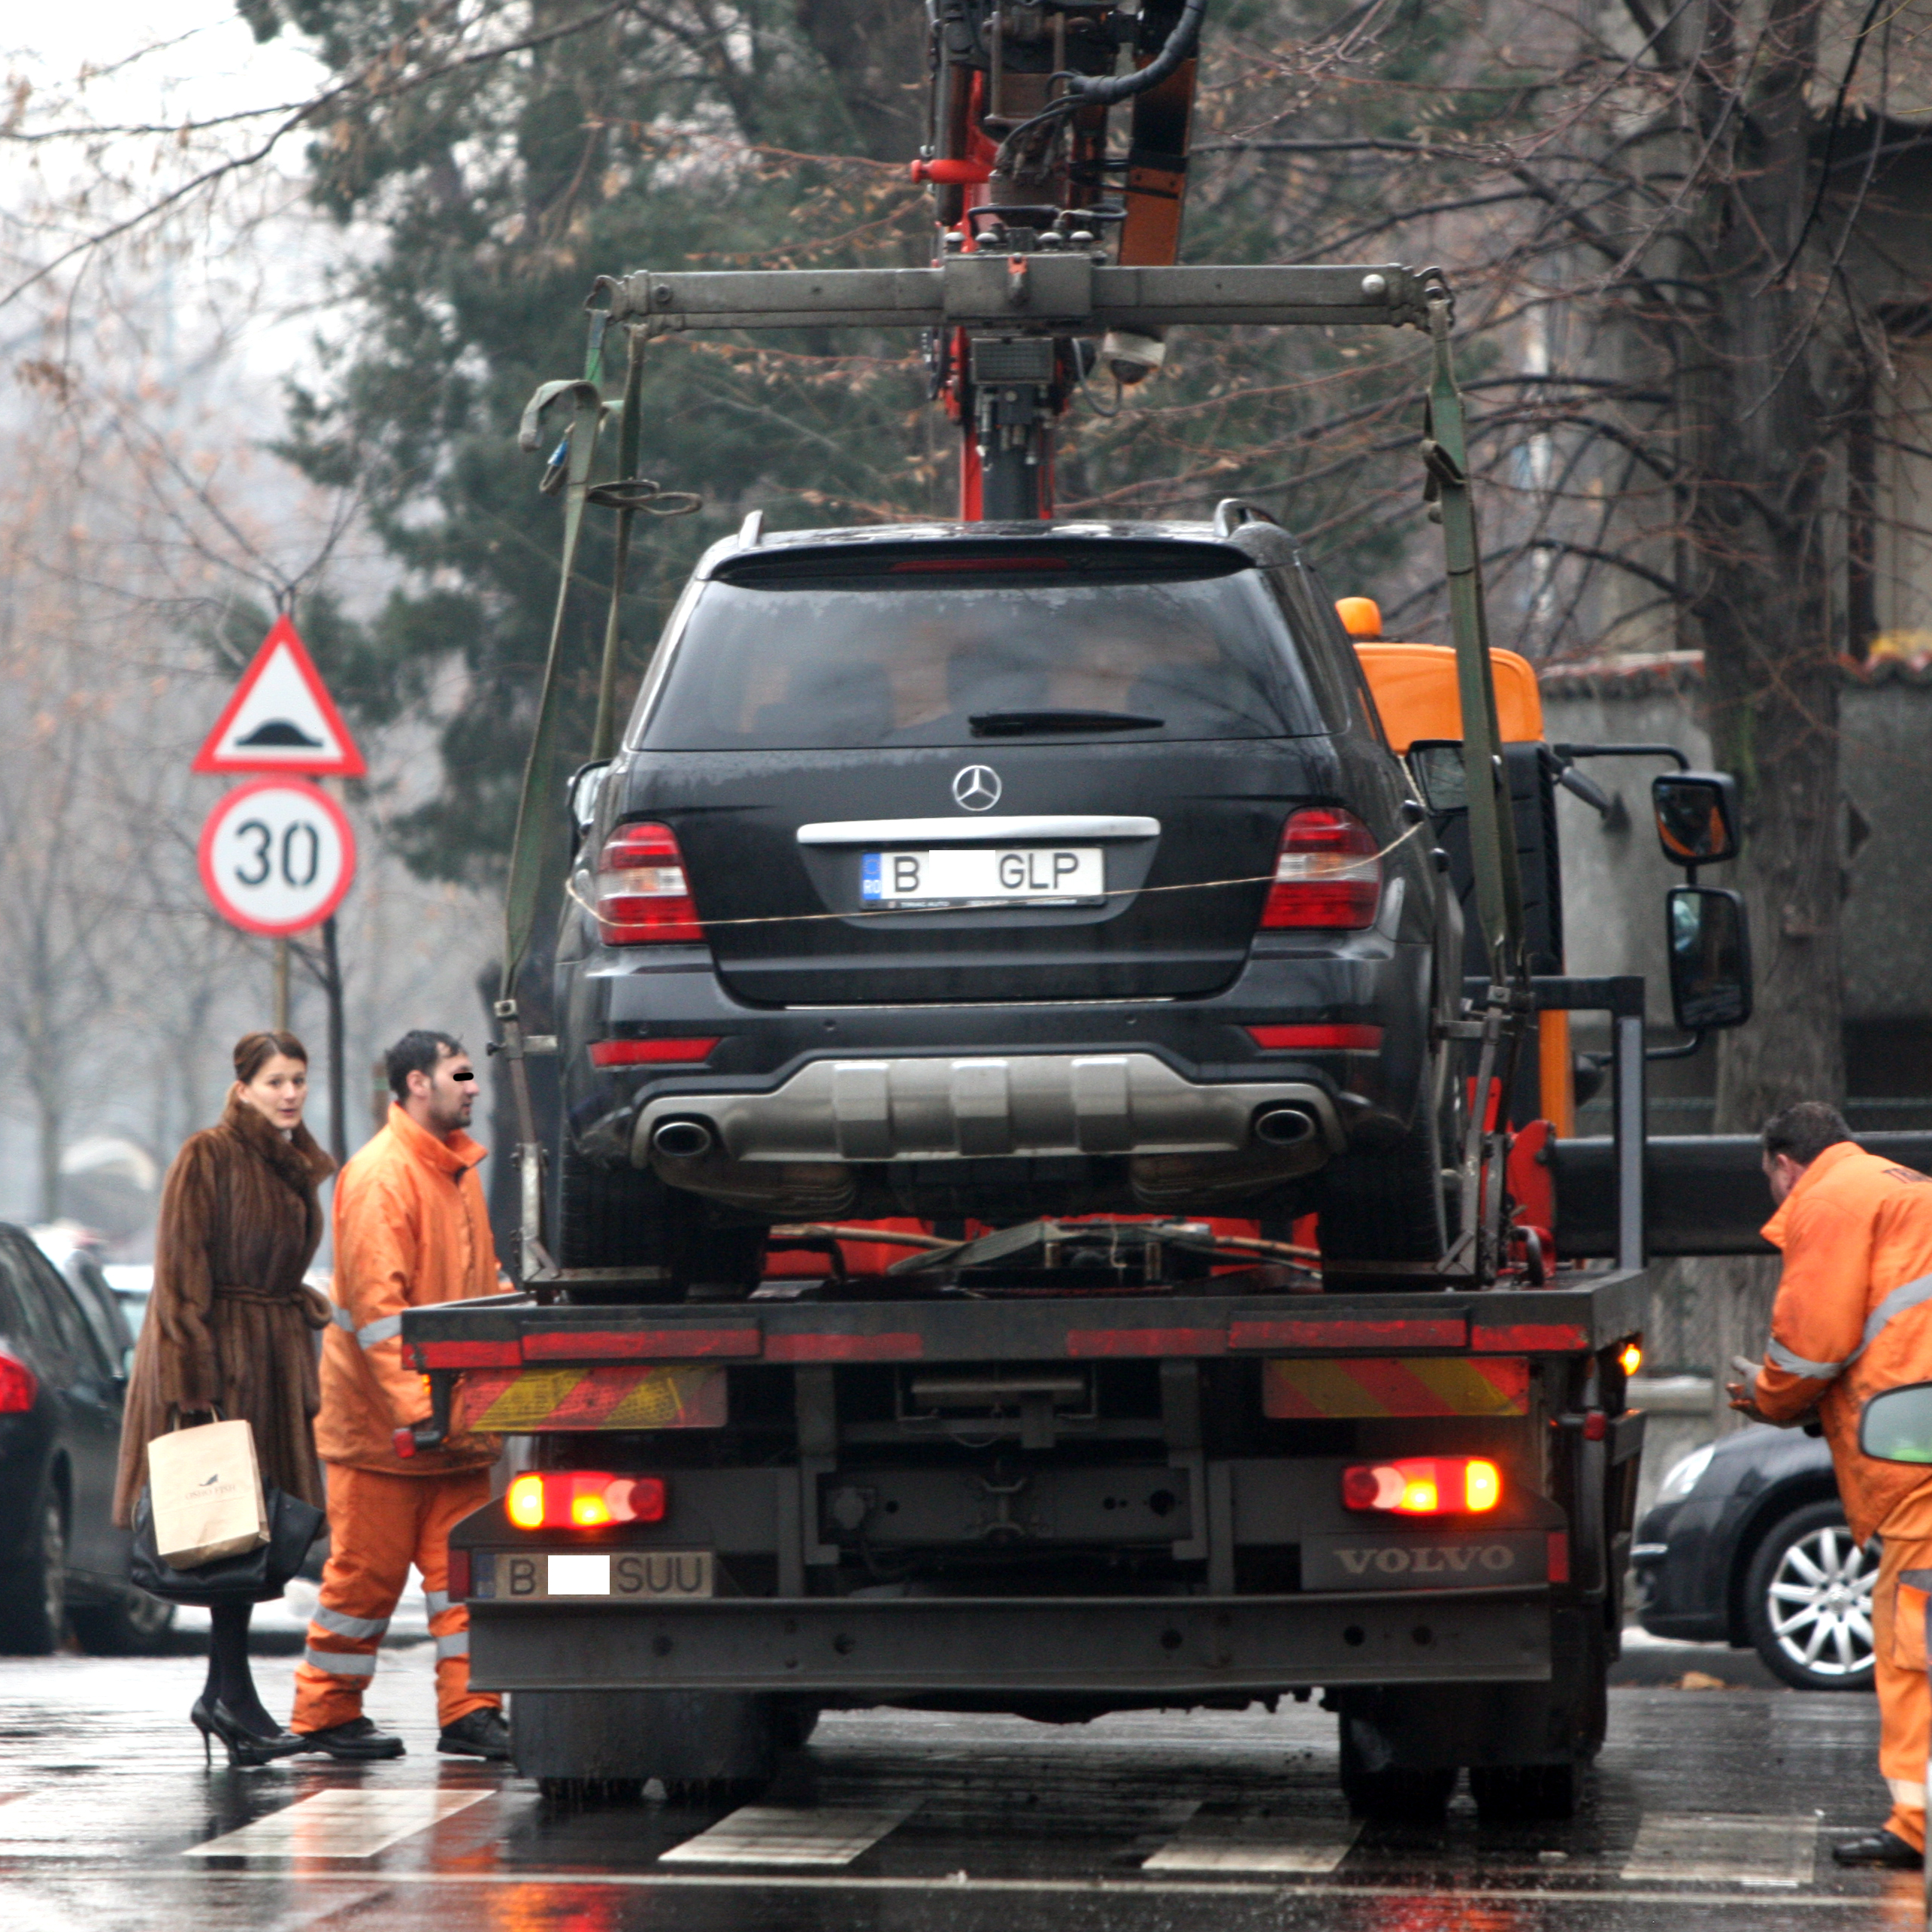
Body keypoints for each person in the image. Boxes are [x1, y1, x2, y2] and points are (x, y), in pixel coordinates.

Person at [113, 1031, 334, 1767]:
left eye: (298, 1078)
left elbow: (265, 1257)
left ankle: (226, 1693)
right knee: (224, 1531)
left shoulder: (289, 1163)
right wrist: (193, 1389)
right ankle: (229, 1697)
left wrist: (294, 1296)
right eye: (275, 1080)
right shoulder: (207, 1155)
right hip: (218, 1361)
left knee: (250, 1537)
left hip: (269, 1353)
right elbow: (180, 1279)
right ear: (242, 1087)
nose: (290, 1092)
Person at [290, 1030, 511, 1761]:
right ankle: (324, 1714)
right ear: (418, 1082)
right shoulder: (383, 1175)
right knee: (362, 1583)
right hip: (392, 1436)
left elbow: (480, 1289)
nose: (474, 1086)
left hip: (449, 1427)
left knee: (464, 1586)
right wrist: (422, 1411)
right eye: (461, 1074)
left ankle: (471, 1711)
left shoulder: (455, 1172)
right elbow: (378, 1317)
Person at [1727, 1101, 1932, 1869]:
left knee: (1910, 1642)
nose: (1777, 1200)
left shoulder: (1827, 1199)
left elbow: (1813, 1344)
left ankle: (1915, 1827)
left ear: (1784, 1163)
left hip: (1912, 1452)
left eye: (1770, 1182)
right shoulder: (1904, 1186)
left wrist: (1764, 1392)